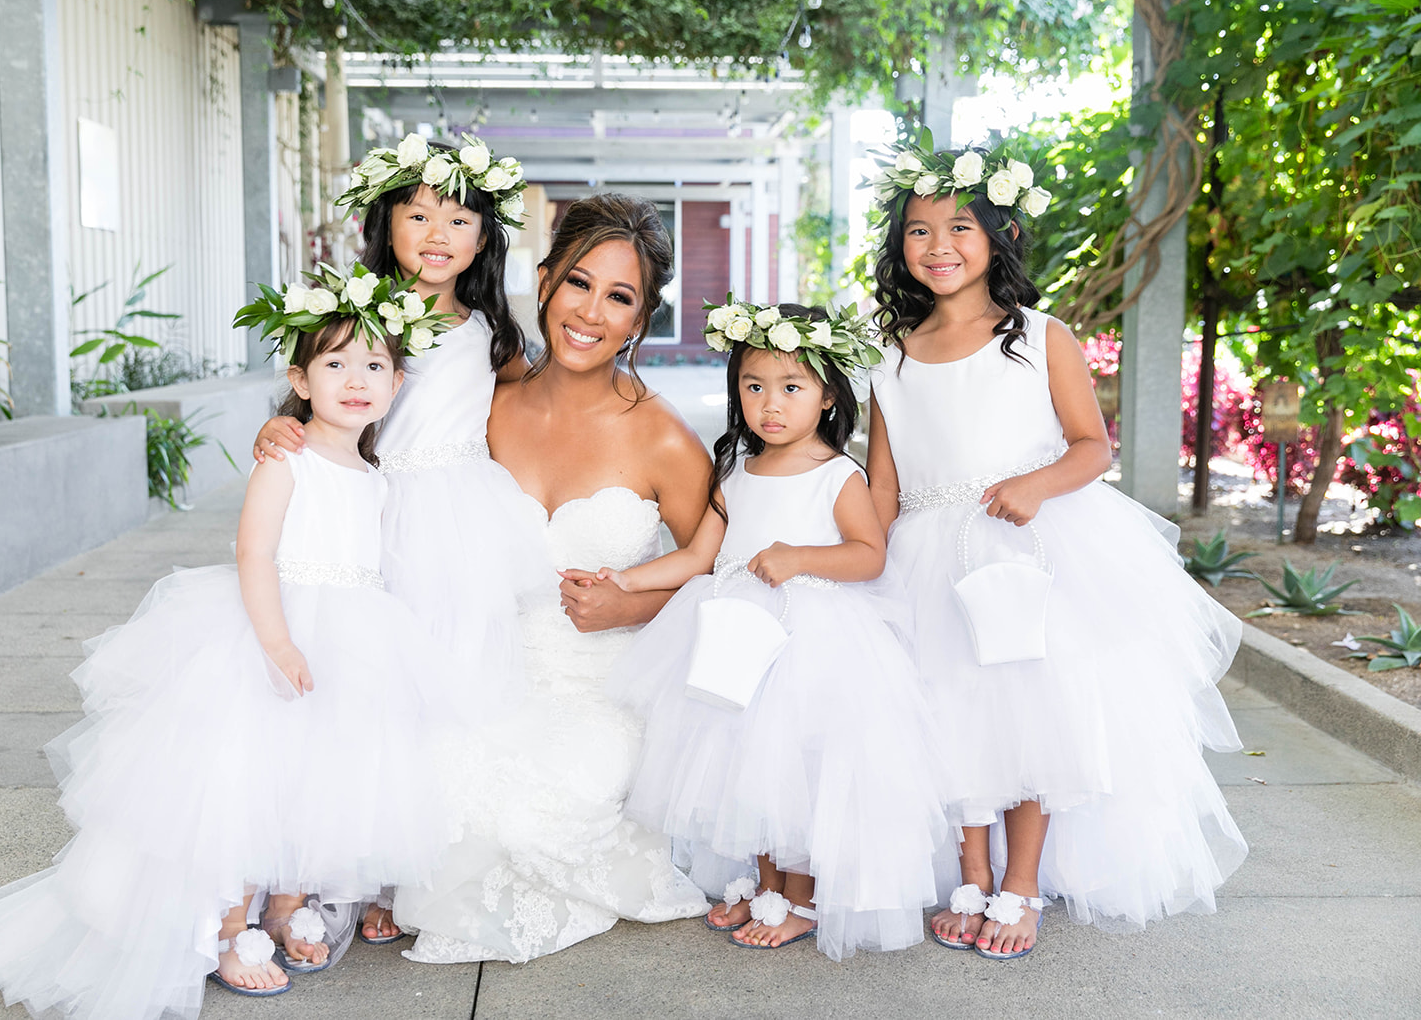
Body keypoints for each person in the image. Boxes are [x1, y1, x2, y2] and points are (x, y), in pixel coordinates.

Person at [0, 271, 452, 1017]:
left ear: (396, 383)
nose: (356, 380)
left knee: (320, 780)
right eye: (335, 363)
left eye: (374, 365)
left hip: (354, 644)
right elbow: (255, 552)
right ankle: (230, 923)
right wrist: (276, 643)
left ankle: (288, 904)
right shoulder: (288, 458)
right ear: (299, 380)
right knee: (249, 784)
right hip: (276, 630)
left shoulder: (371, 473)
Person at [864, 141, 1247, 961]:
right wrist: (864, 555)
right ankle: (971, 870)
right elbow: (885, 482)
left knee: (1026, 710)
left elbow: (1091, 445)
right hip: (925, 552)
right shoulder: (891, 356)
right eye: (919, 231)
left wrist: (1035, 485)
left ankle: (1021, 880)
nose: (937, 246)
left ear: (999, 234)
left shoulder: (1039, 336)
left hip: (1020, 544)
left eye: (959, 227)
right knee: (948, 708)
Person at [392, 193, 713, 964]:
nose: (591, 312)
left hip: (602, 688)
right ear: (543, 282)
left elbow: (722, 570)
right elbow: (380, 446)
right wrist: (289, 426)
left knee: (525, 816)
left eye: (619, 297)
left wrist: (631, 602)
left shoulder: (664, 438)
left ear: (640, 319)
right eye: (578, 283)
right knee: (438, 789)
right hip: (487, 671)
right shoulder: (487, 405)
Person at [251, 134, 542, 944]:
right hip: (370, 511)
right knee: (368, 689)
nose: (437, 233)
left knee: (447, 680)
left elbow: (524, 411)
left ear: (483, 238)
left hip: (459, 521)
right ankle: (363, 862)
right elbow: (315, 392)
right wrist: (276, 427)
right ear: (386, 224)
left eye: (459, 219)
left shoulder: (493, 331)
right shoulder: (358, 316)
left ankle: (418, 869)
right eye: (418, 215)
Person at [600, 301, 953, 959]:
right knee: (746, 761)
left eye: (792, 388)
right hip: (738, 639)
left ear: (827, 397)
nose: (770, 403)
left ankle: (803, 897)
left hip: (811, 642)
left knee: (800, 766)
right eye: (754, 386)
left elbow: (869, 555)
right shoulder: (736, 472)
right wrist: (624, 578)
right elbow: (698, 557)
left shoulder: (838, 475)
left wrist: (800, 557)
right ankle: (766, 884)